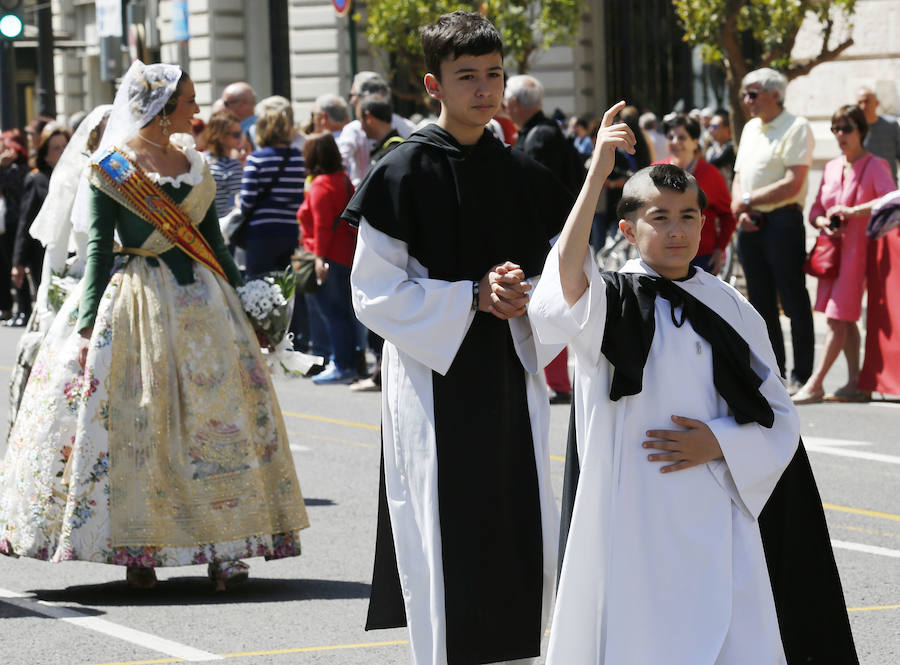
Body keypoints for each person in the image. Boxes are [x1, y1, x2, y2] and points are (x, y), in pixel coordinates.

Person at [529, 126, 857, 664]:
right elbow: (564, 279)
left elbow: (778, 413)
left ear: (705, 225)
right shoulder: (609, 298)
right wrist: (595, 174)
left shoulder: (730, 307)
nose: (676, 231)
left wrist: (723, 444)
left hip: (716, 512)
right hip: (631, 516)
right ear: (629, 230)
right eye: (659, 218)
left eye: (688, 217)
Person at [0, 61, 309, 590]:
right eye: (187, 100)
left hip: (205, 307)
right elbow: (98, 250)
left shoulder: (196, 163)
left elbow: (213, 242)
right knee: (137, 422)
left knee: (220, 425)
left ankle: (227, 549)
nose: (195, 108)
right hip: (134, 301)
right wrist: (86, 320)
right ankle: (139, 551)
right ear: (162, 110)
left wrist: (247, 303)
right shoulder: (112, 167)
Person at [344, 11, 571, 665]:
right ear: (431, 84)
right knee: (445, 538)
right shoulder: (403, 170)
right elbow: (373, 292)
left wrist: (528, 295)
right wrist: (470, 295)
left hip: (510, 368)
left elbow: (564, 272)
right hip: (431, 377)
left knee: (516, 528)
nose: (484, 89)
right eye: (466, 76)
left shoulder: (522, 173)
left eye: (494, 75)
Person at [792, 106, 895, 404]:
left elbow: (890, 203)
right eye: (836, 128)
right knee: (846, 320)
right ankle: (856, 383)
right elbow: (815, 210)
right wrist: (824, 221)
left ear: (861, 130)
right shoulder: (832, 167)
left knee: (837, 319)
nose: (840, 134)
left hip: (860, 254)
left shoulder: (876, 165)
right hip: (833, 253)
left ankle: (815, 384)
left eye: (846, 128)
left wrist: (853, 212)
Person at [731, 68, 815, 393]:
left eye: (753, 94)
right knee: (761, 303)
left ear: (774, 94)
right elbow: (740, 176)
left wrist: (748, 200)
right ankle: (774, 373)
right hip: (750, 224)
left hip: (782, 222)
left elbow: (793, 182)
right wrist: (741, 206)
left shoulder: (796, 126)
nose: (747, 101)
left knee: (792, 298)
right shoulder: (751, 128)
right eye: (744, 94)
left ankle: (803, 374)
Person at [505, 73, 580, 405]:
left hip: (547, 238)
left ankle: (558, 381)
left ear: (516, 103)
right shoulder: (545, 132)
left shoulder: (539, 138)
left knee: (547, 306)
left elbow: (533, 195)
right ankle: (557, 380)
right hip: (555, 235)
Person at [296, 132, 357, 385]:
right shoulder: (342, 179)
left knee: (332, 314)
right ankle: (350, 362)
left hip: (327, 256)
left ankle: (341, 365)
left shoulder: (320, 184)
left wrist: (319, 258)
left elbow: (321, 225)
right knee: (344, 313)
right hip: (347, 254)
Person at [657, 113, 736, 275]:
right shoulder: (654, 171)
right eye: (670, 137)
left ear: (695, 142)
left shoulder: (711, 174)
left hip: (701, 258)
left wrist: (720, 249)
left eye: (681, 137)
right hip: (661, 255)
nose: (675, 142)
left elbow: (728, 215)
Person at [10, 123, 71, 327]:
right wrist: (18, 263)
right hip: (44, 256)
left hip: (73, 253)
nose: (62, 151)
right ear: (46, 154)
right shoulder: (36, 179)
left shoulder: (76, 179)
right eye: (56, 147)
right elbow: (25, 223)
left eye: (65, 146)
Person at [239, 95, 305, 278]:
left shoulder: (256, 159)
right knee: (286, 285)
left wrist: (240, 202)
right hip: (290, 231)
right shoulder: (298, 159)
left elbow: (247, 202)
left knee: (258, 283)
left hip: (261, 231)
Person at [339, 71, 416, 186]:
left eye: (353, 95)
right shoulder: (407, 126)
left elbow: (338, 164)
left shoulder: (353, 129)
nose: (351, 101)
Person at [0, 129, 30, 321]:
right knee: (11, 267)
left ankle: (24, 308)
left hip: (19, 224)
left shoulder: (20, 169)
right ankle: (16, 308)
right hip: (9, 224)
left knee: (18, 267)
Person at [201, 110, 244, 219]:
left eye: (240, 133)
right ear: (220, 136)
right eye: (236, 134)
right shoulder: (233, 165)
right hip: (221, 224)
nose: (240, 138)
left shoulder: (199, 158)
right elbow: (239, 201)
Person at [856, 86, 900, 184]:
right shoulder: (852, 129)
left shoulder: (891, 125)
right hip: (863, 189)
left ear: (876, 103)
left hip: (888, 187)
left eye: (866, 101)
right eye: (859, 103)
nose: (863, 106)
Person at [221, 81, 258, 149]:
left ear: (241, 104)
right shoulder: (264, 126)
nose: (222, 107)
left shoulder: (253, 131)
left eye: (226, 103)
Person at [706, 108, 735, 187]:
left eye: (714, 127)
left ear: (727, 129)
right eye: (710, 126)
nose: (710, 130)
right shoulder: (711, 149)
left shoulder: (733, 148)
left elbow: (712, 165)